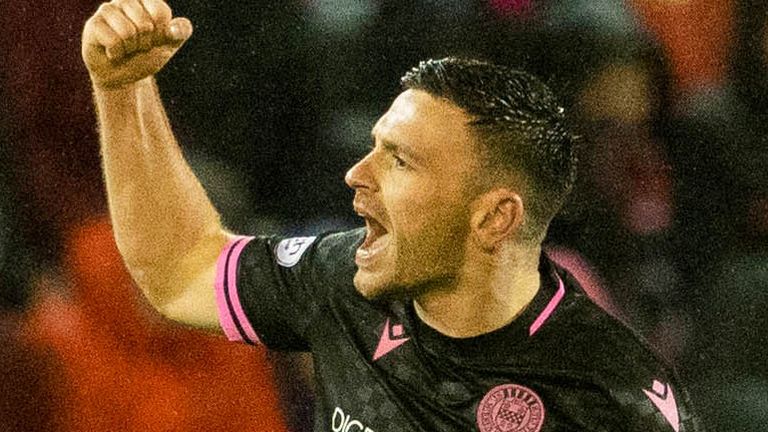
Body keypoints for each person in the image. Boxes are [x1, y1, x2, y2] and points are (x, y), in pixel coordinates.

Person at [81, 1, 702, 430]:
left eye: (400, 162)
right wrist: (121, 90)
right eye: (373, 147)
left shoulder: (613, 397)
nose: (357, 174)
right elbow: (183, 270)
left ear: (494, 219)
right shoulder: (343, 282)